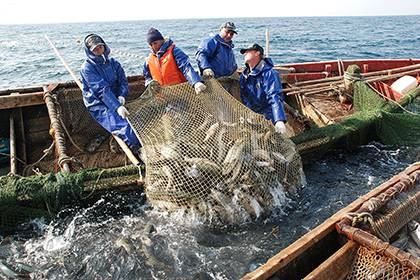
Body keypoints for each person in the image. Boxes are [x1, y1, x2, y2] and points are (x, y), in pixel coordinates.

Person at [80, 33, 141, 152]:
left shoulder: (114, 63)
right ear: (89, 51)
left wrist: (122, 95)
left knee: (137, 123)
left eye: (100, 46)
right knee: (126, 128)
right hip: (98, 103)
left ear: (104, 46)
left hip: (116, 98)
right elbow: (102, 90)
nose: (99, 50)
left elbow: (123, 81)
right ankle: (137, 151)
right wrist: (117, 107)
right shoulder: (87, 68)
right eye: (95, 49)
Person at [239, 43, 287, 134]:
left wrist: (279, 120)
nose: (245, 53)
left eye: (248, 51)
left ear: (257, 53)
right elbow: (244, 98)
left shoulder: (270, 73)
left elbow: (274, 96)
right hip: (252, 116)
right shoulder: (243, 76)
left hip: (269, 116)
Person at [143, 28, 206, 94]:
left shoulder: (174, 51)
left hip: (181, 93)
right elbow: (146, 75)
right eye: (151, 45)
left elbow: (186, 67)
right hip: (162, 96)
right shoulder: (149, 59)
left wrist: (196, 82)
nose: (153, 46)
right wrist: (149, 82)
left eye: (155, 43)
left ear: (162, 40)